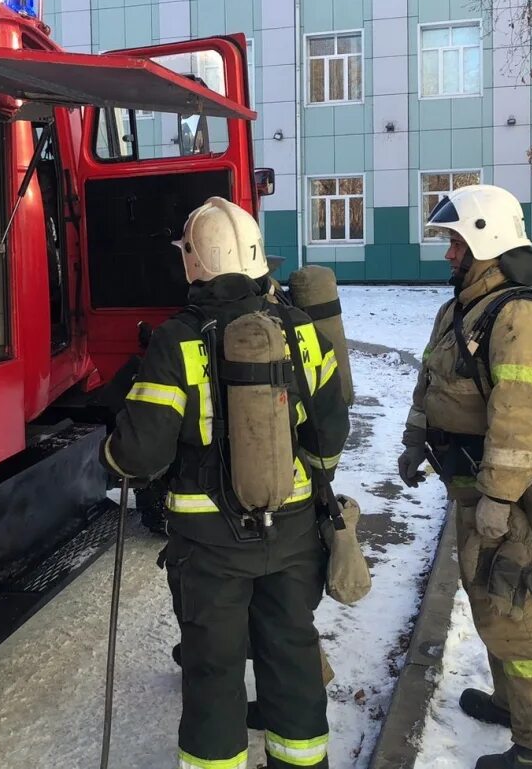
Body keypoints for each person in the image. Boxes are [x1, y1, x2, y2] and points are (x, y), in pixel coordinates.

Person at [102, 197, 350, 769]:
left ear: (194, 262)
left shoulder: (177, 340)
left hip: (210, 545)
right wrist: (312, 487)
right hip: (291, 535)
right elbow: (331, 430)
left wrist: (110, 455)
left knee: (213, 671)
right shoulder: (302, 330)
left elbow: (140, 454)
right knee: (291, 656)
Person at [398, 184, 532, 769]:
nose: (449, 254)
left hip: (507, 496)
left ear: (488, 241)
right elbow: (432, 382)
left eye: (456, 242)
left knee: (516, 610)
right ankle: (514, 705)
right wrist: (414, 440)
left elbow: (526, 416)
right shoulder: (463, 309)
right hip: (470, 485)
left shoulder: (520, 315)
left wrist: (500, 498)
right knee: (493, 601)